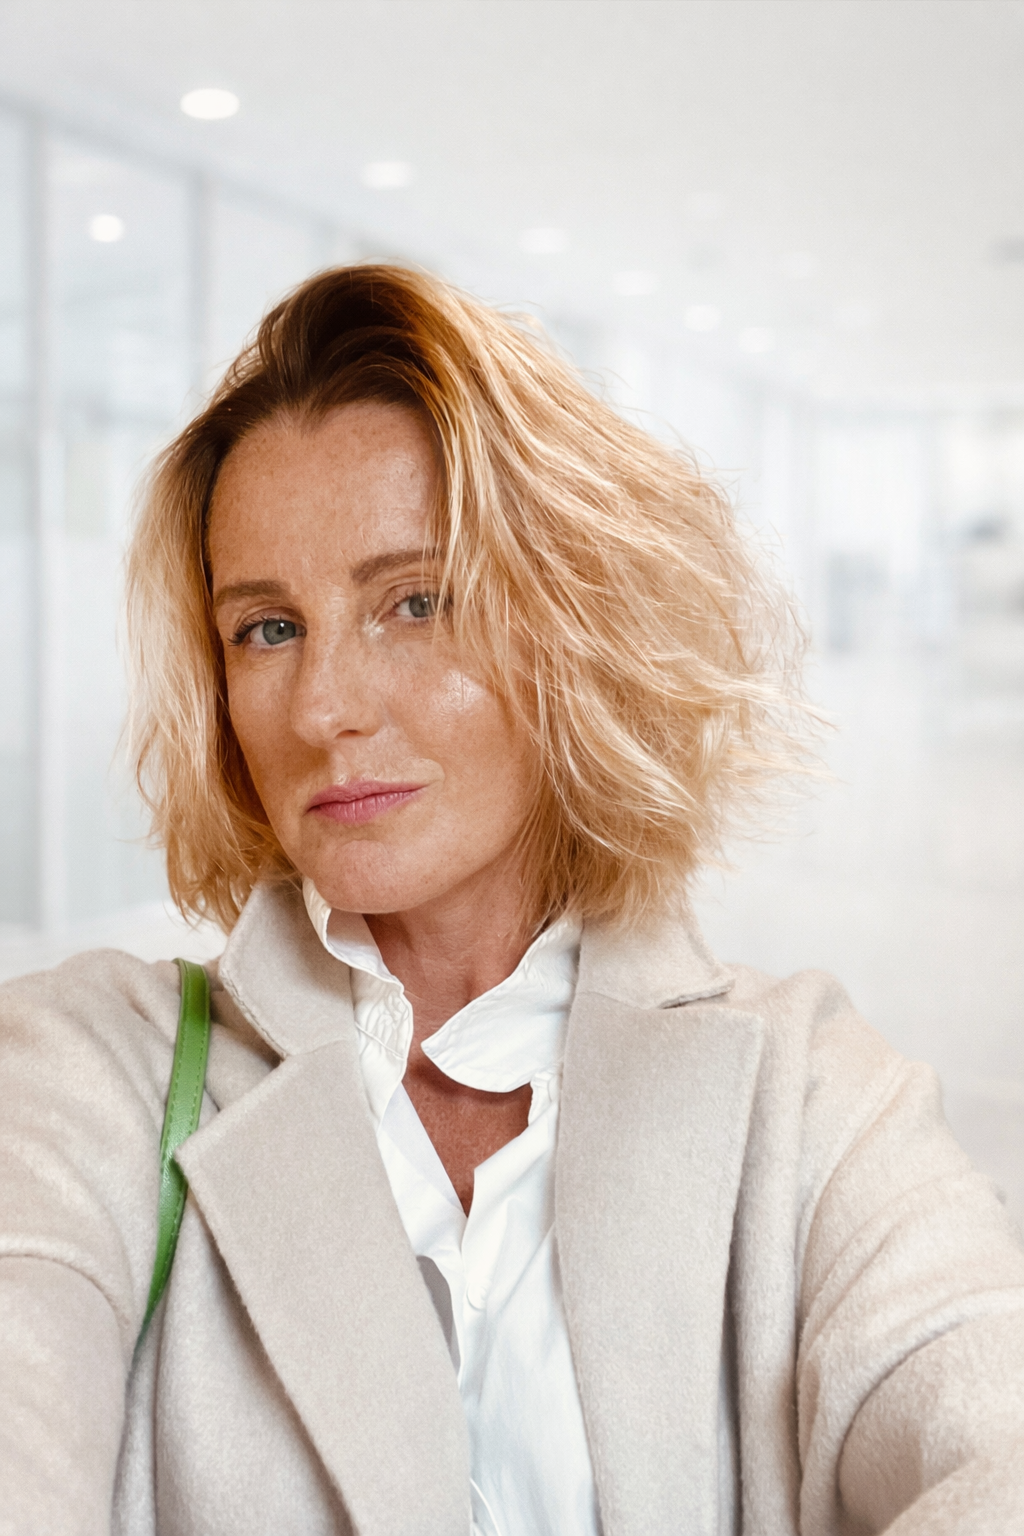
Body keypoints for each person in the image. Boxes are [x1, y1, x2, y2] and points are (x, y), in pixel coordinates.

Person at [1, 264, 1023, 1536]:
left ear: (571, 624)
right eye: (267, 628)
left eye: (413, 602)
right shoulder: (87, 1073)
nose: (324, 708)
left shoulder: (807, 1097)